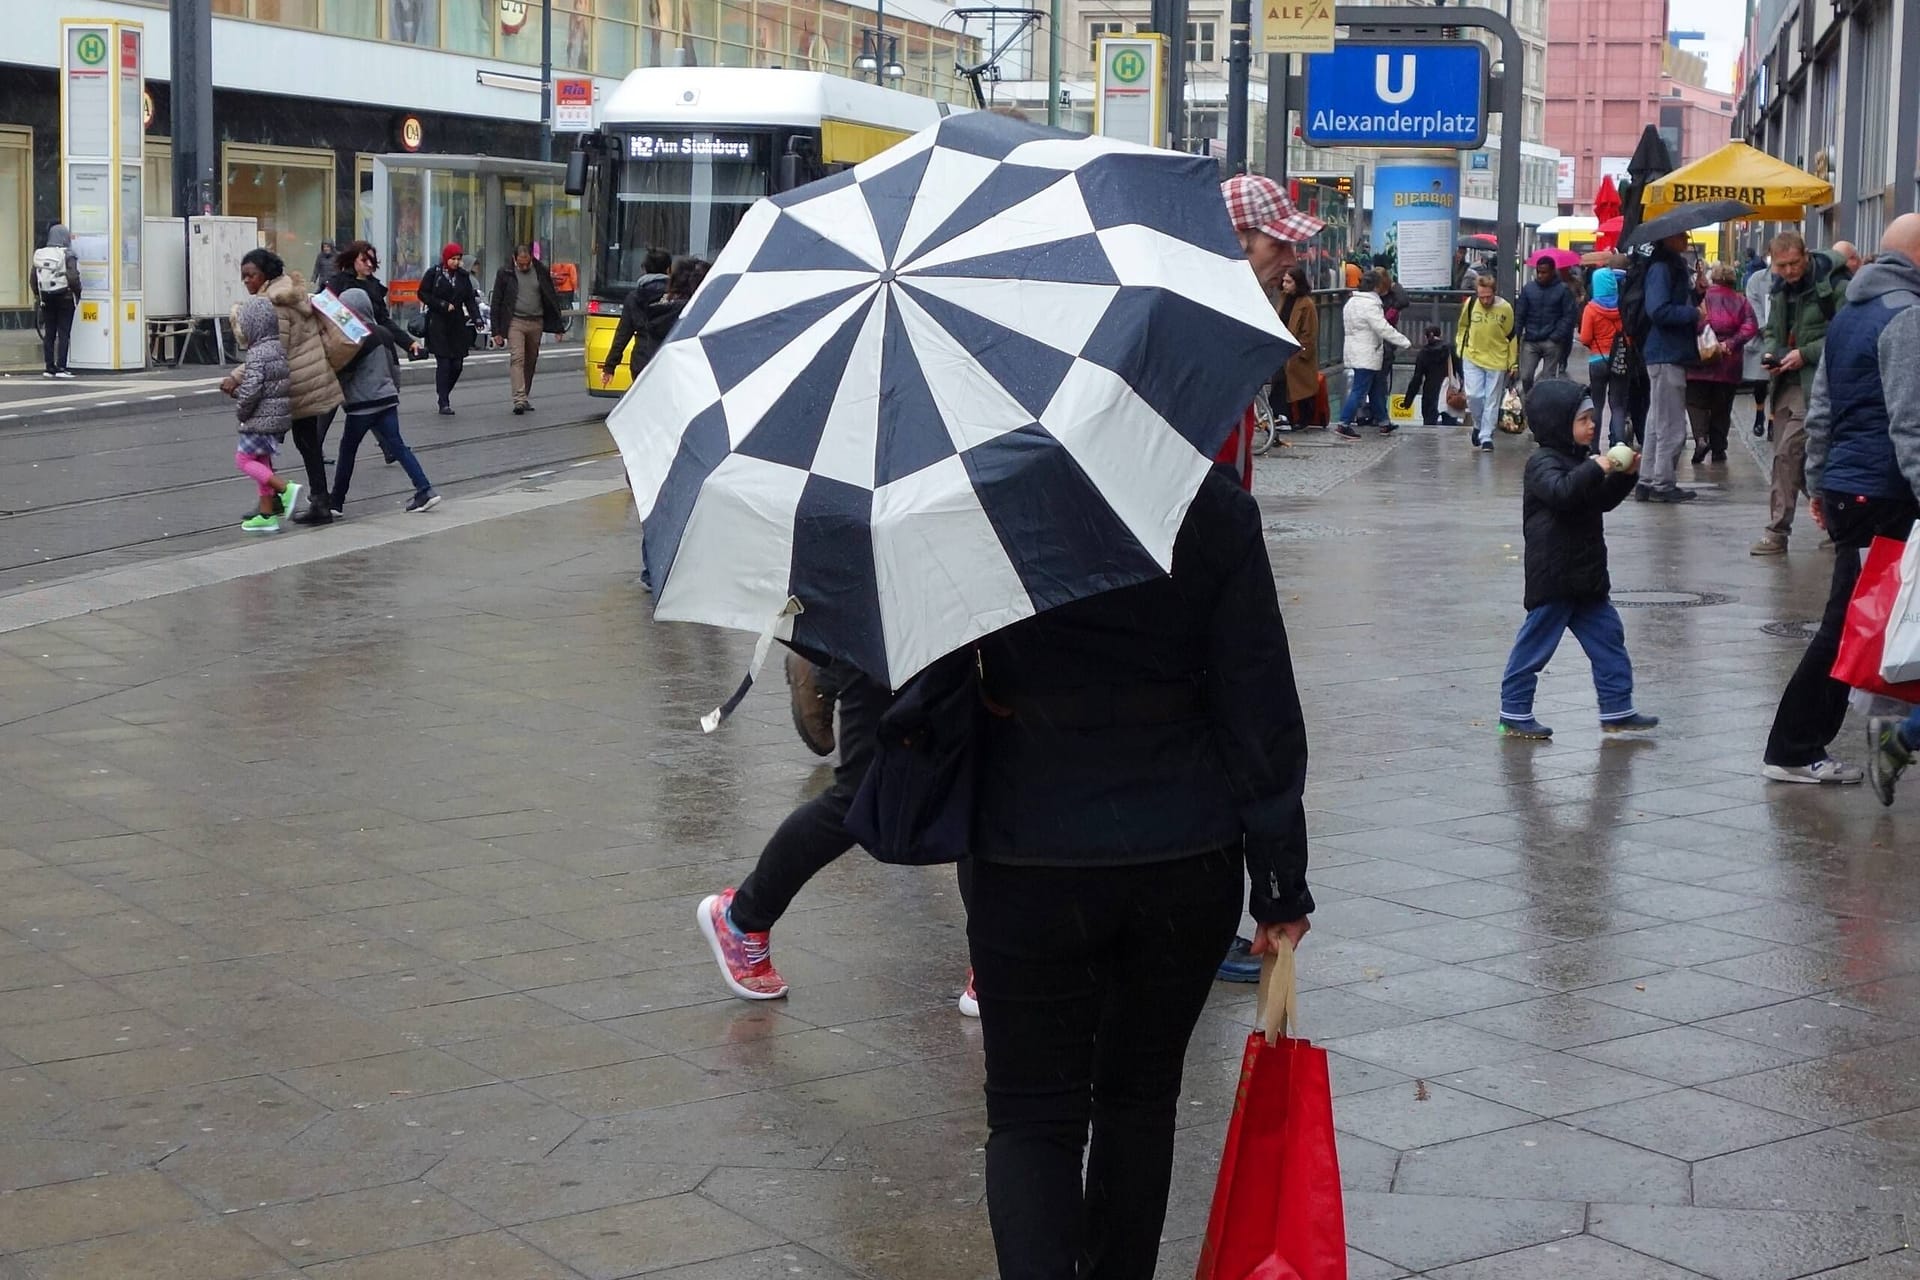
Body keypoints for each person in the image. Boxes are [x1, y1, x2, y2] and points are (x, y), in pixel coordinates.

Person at [964, 464, 1313, 1280]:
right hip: (1182, 849)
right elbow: (1258, 695)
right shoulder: (1208, 502)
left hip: (1030, 844)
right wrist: (1280, 882)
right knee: (1139, 1100)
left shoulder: (983, 497)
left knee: (1032, 1117)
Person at [1763, 214, 1920, 786]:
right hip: (1884, 491)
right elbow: (1910, 422)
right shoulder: (1907, 318)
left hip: (1855, 488)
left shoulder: (1853, 312)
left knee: (1870, 620)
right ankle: (1797, 746)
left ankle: (1889, 735)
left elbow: (1823, 408)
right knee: (1852, 624)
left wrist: (1822, 484)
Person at [1497, 380, 1658, 739]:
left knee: (1609, 640)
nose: (1592, 426)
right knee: (1535, 647)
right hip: (1554, 578)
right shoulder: (1542, 463)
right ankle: (1514, 710)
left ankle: (1617, 708)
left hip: (1586, 578)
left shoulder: (1580, 460)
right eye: (1584, 419)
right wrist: (1597, 467)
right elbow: (1563, 493)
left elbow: (1598, 500)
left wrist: (1623, 478)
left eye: (1592, 419)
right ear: (1558, 423)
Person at [224, 248, 341, 526]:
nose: (247, 281)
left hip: (295, 385)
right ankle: (294, 500)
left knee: (266, 443)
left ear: (266, 274)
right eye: (243, 277)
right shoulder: (289, 292)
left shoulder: (276, 303)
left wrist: (236, 377)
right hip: (305, 379)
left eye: (251, 275)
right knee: (303, 442)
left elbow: (272, 349)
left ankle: (295, 500)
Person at [1753, 231, 1850, 554]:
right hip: (1786, 382)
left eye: (1794, 263)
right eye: (1782, 265)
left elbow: (1847, 333)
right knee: (1800, 459)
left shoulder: (1834, 285)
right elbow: (1772, 330)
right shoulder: (1779, 288)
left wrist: (1804, 353)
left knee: (1786, 455)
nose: (1790, 270)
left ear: (1806, 256)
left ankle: (1777, 531)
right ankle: (1838, 524)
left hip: (1816, 384)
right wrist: (1772, 353)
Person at [329, 287, 442, 516]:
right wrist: (393, 390)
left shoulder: (354, 337)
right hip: (387, 398)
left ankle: (336, 502)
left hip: (362, 403)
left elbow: (344, 371)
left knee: (348, 450)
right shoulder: (383, 333)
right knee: (398, 445)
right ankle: (425, 489)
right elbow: (394, 367)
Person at [1638, 231, 1703, 503]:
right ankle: (1662, 483)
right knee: (1671, 424)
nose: (1685, 238)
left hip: (1665, 352)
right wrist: (1693, 312)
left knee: (1657, 422)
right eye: (1679, 235)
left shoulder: (1668, 266)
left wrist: (1696, 294)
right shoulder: (1662, 268)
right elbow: (1659, 310)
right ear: (1666, 238)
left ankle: (1647, 480)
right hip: (1666, 352)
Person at [226, 296, 300, 535]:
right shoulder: (276, 347)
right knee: (262, 462)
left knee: (244, 460)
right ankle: (267, 515)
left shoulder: (257, 353)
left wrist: (241, 407)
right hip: (275, 417)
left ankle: (285, 488)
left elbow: (252, 389)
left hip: (259, 418)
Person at [1687, 261, 1760, 465]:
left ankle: (1701, 439)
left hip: (1700, 357)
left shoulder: (1701, 298)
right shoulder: (1741, 301)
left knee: (1695, 402)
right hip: (1729, 362)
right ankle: (1719, 448)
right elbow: (1750, 326)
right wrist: (1731, 343)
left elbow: (1693, 321)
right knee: (1722, 406)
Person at [491, 244, 566, 415]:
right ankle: (519, 399)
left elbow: (551, 298)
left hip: (536, 322)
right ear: (514, 259)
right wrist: (496, 331)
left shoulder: (541, 271)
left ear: (532, 258)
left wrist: (558, 327)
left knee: (531, 359)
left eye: (527, 264)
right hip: (515, 321)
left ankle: (525, 394)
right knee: (518, 358)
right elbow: (497, 301)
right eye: (520, 264)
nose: (524, 267)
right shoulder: (505, 273)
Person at [1335, 268, 1411, 438]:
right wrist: (1404, 342)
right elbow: (1382, 328)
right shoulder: (1370, 305)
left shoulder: (1351, 302)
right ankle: (1344, 423)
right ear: (1376, 287)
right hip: (1368, 353)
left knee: (1375, 388)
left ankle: (1384, 422)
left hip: (1355, 350)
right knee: (1359, 390)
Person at [1456, 273, 1518, 452]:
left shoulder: (1505, 308)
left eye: (1488, 297)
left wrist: (1512, 363)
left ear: (1494, 293)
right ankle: (1478, 424)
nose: (1484, 301)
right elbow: (1463, 326)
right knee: (1474, 395)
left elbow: (1511, 336)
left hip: (1497, 359)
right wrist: (1461, 346)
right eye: (1481, 296)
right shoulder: (1471, 304)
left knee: (1492, 399)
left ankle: (1486, 436)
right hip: (1473, 355)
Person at [419, 242, 483, 416]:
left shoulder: (463, 277)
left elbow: (469, 299)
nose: (456, 262)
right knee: (444, 363)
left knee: (457, 364)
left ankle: (445, 392)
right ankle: (443, 401)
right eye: (453, 259)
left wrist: (477, 318)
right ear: (446, 258)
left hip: (457, 325)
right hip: (438, 323)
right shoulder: (434, 274)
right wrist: (441, 304)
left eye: (458, 259)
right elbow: (422, 293)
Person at [327, 241, 419, 357]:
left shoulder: (374, 287)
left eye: (372, 260)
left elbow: (384, 320)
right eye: (364, 260)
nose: (370, 264)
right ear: (353, 260)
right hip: (345, 347)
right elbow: (326, 309)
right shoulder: (338, 282)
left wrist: (409, 343)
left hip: (371, 347)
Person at [599, 249, 673, 387]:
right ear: (669, 269)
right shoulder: (677, 296)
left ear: (644, 269)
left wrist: (610, 367)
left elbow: (623, 334)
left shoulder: (634, 297)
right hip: (669, 360)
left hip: (642, 359)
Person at [1579, 266, 1628, 449]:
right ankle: (1620, 444)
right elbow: (1628, 335)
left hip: (1597, 360)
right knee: (1618, 405)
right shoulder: (1623, 307)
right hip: (1620, 359)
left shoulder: (1591, 309)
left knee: (1597, 405)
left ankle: (1593, 448)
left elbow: (1584, 337)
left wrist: (1594, 345)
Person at [1515, 256, 1577, 392]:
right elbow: (1520, 314)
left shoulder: (1563, 290)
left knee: (1547, 379)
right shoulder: (1529, 289)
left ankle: (1540, 404)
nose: (1540, 275)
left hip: (1551, 340)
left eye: (1544, 272)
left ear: (1552, 271)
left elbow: (1569, 315)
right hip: (1531, 339)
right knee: (1526, 376)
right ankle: (1530, 399)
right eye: (1538, 272)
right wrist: (1517, 335)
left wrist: (1557, 335)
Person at [1272, 265, 1321, 429]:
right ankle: (1283, 415)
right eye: (1284, 281)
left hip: (1297, 351)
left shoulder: (1306, 303)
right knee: (1281, 382)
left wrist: (1302, 351)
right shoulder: (1284, 299)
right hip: (1284, 349)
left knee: (1300, 387)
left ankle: (1301, 417)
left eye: (1289, 282)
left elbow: (1309, 331)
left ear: (1297, 283)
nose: (1285, 285)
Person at [31, 223, 80, 378]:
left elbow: (33, 278)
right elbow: (73, 277)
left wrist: (38, 295)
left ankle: (49, 367)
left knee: (49, 333)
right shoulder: (68, 254)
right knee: (64, 332)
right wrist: (78, 292)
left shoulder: (41, 254)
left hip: (46, 297)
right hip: (65, 297)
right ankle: (62, 367)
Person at [1744, 253, 1774, 443]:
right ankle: (1760, 413)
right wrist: (1763, 327)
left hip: (1784, 339)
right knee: (1761, 381)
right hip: (1761, 336)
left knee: (1778, 382)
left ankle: (1773, 421)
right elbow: (1753, 305)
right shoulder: (1757, 279)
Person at [1401, 325, 1457, 426]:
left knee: (1429, 425)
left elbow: (1417, 379)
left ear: (1426, 337)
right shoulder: (1450, 349)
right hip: (1449, 392)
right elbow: (1460, 370)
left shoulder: (1423, 353)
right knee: (1451, 426)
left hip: (1430, 392)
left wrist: (1408, 401)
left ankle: (1430, 442)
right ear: (1440, 334)